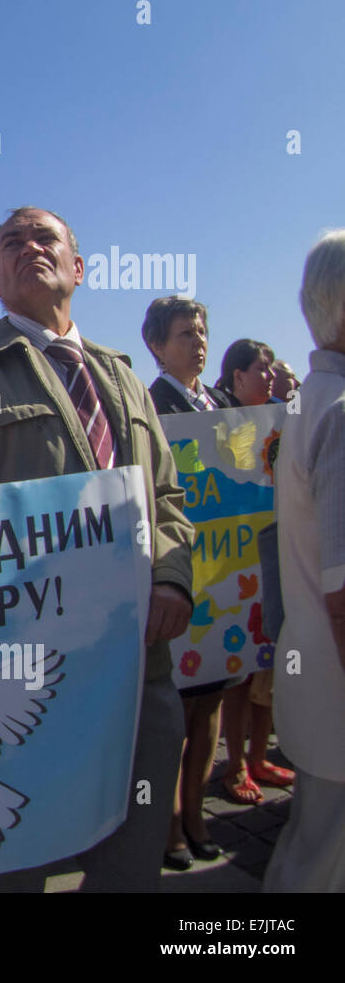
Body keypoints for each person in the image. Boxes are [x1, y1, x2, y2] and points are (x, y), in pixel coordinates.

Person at [0, 207, 193, 892]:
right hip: (19, 684)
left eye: (46, 238)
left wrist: (174, 580)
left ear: (80, 268)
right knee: (13, 866)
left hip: (139, 669)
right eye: (12, 242)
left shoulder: (122, 375)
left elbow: (170, 498)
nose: (30, 247)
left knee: (131, 865)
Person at [265, 230, 345, 891]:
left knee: (313, 843)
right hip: (336, 676)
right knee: (324, 859)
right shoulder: (339, 410)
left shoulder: (308, 401)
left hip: (316, 668)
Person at [140, 295, 230, 870]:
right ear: (156, 345)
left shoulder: (221, 405)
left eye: (201, 330)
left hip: (226, 578)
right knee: (176, 711)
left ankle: (197, 812)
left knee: (212, 702)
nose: (197, 341)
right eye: (183, 333)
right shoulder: (151, 405)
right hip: (176, 574)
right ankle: (169, 823)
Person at [213, 337, 290, 803]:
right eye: (260, 368)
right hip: (234, 565)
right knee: (239, 676)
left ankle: (261, 756)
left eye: (270, 368)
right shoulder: (219, 425)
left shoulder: (286, 424)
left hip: (277, 561)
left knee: (271, 670)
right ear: (237, 377)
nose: (270, 376)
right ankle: (235, 765)